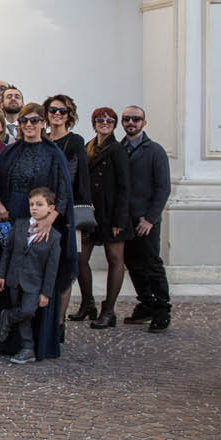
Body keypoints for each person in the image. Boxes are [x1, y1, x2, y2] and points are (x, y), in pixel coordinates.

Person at [0, 104, 74, 359]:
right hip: (14, 220)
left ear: (43, 123)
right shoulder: (9, 152)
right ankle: (15, 343)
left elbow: (63, 192)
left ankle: (38, 343)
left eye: (34, 120)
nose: (28, 125)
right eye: (24, 121)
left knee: (37, 283)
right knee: (14, 280)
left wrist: (50, 219)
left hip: (42, 222)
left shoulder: (53, 153)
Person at [0, 188, 64, 365]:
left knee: (27, 311)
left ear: (50, 208)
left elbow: (52, 268)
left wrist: (46, 293)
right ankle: (27, 348)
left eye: (39, 204)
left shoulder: (54, 237)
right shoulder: (19, 225)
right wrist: (1, 274)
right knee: (23, 314)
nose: (34, 208)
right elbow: (8, 252)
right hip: (14, 277)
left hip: (35, 283)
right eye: (31, 204)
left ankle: (8, 317)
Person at [79, 107, 131, 329]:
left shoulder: (117, 150)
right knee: (80, 258)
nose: (105, 123)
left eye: (110, 120)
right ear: (94, 123)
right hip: (91, 212)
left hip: (112, 213)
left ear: (115, 124)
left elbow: (125, 186)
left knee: (115, 259)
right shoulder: (88, 146)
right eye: (100, 119)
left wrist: (120, 220)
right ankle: (87, 302)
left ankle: (108, 310)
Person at [121, 106, 171, 332]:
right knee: (132, 264)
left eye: (136, 119)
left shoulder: (155, 150)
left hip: (146, 220)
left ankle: (162, 309)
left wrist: (150, 218)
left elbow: (163, 188)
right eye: (127, 119)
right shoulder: (119, 148)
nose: (131, 122)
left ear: (144, 123)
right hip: (125, 219)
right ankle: (146, 303)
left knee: (151, 264)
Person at [43, 93, 92, 324]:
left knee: (65, 267)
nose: (57, 115)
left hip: (67, 211)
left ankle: (60, 321)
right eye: (53, 110)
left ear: (69, 115)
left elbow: (76, 177)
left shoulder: (75, 141)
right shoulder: (42, 138)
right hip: (41, 209)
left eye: (62, 111)